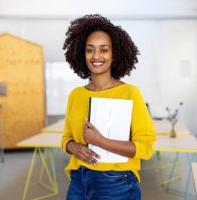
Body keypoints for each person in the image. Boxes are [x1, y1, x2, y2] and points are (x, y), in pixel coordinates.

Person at [61, 14, 156, 200]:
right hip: (79, 179)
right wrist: (74, 148)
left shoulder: (130, 93)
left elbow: (145, 148)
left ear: (114, 54)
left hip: (116, 182)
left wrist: (100, 141)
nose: (96, 56)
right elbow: (66, 138)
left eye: (104, 50)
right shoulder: (76, 95)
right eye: (90, 50)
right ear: (83, 53)